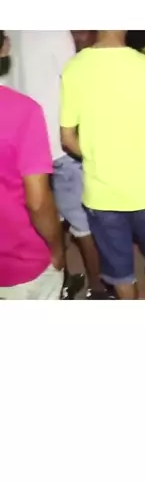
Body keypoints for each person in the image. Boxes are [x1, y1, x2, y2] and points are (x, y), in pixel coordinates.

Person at [60, 30, 145, 299]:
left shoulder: (74, 67)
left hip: (101, 194)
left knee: (121, 272)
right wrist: (142, 153)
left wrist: (96, 155)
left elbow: (67, 138)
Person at [9, 31, 107, 299]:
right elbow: (75, 82)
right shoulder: (55, 29)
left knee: (48, 217)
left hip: (19, 141)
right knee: (82, 224)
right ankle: (97, 289)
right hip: (57, 141)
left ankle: (60, 277)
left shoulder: (9, 30)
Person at [0, 32, 64, 299]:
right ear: (5, 47)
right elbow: (38, 201)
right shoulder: (22, 111)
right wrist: (57, 246)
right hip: (22, 261)